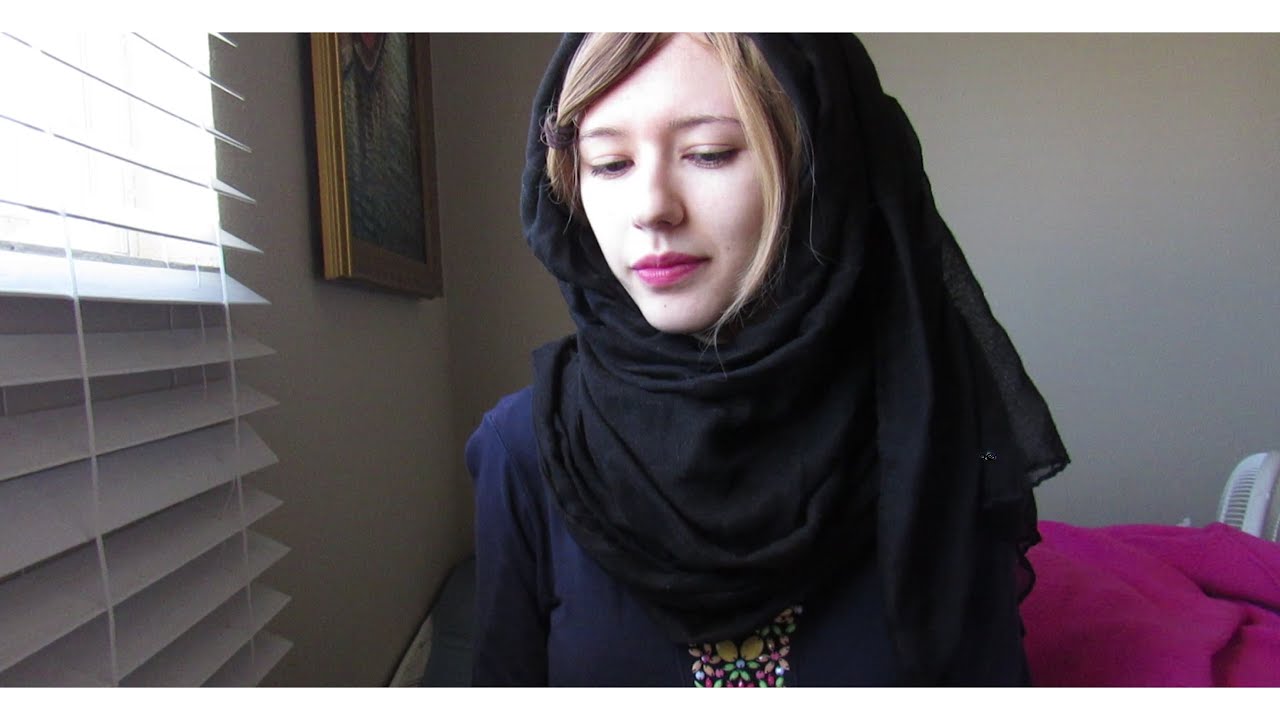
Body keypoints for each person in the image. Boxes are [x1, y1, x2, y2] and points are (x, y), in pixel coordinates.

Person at [467, 33, 1069, 687]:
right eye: (610, 164)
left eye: (710, 153)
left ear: (819, 169)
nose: (651, 208)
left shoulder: (930, 425)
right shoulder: (523, 449)